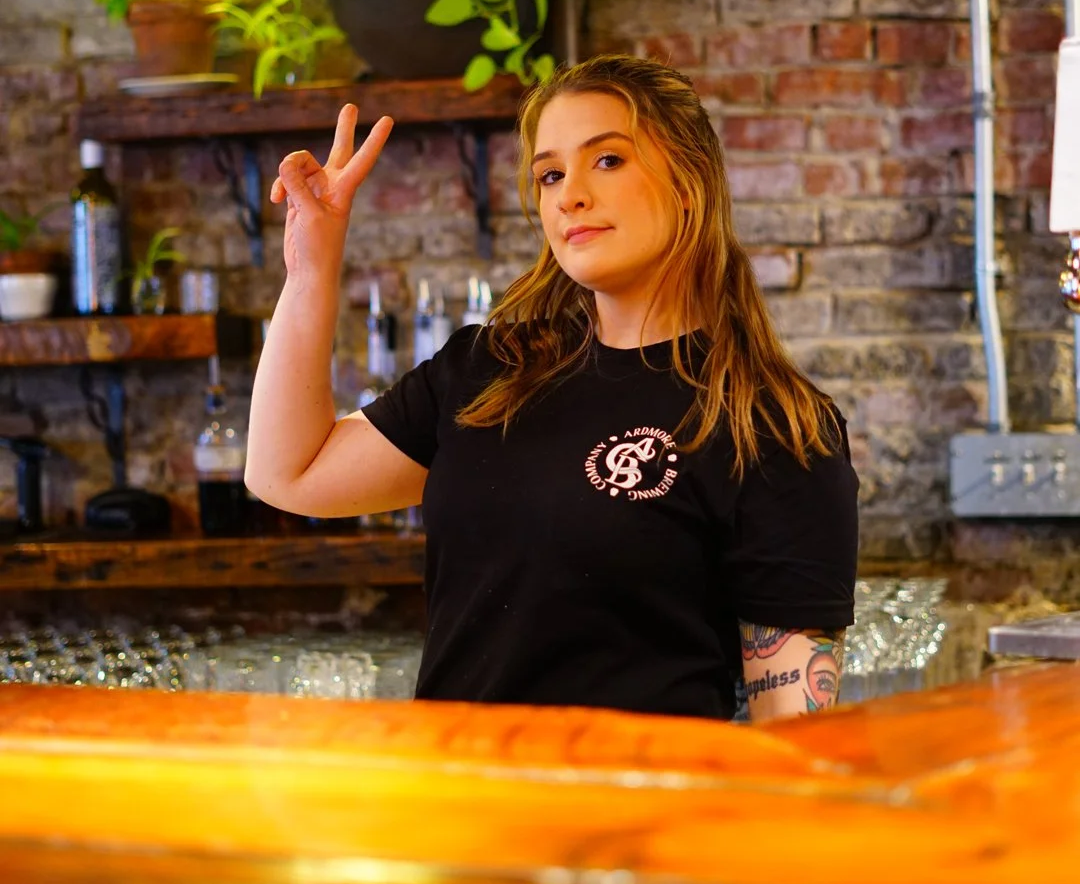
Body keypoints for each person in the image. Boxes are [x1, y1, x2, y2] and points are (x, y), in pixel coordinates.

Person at [246, 55, 859, 723]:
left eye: (607, 161)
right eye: (550, 174)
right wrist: (312, 265)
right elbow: (288, 474)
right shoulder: (489, 370)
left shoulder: (767, 420)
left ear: (690, 181)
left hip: (630, 817)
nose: (569, 195)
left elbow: (796, 734)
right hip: (447, 807)